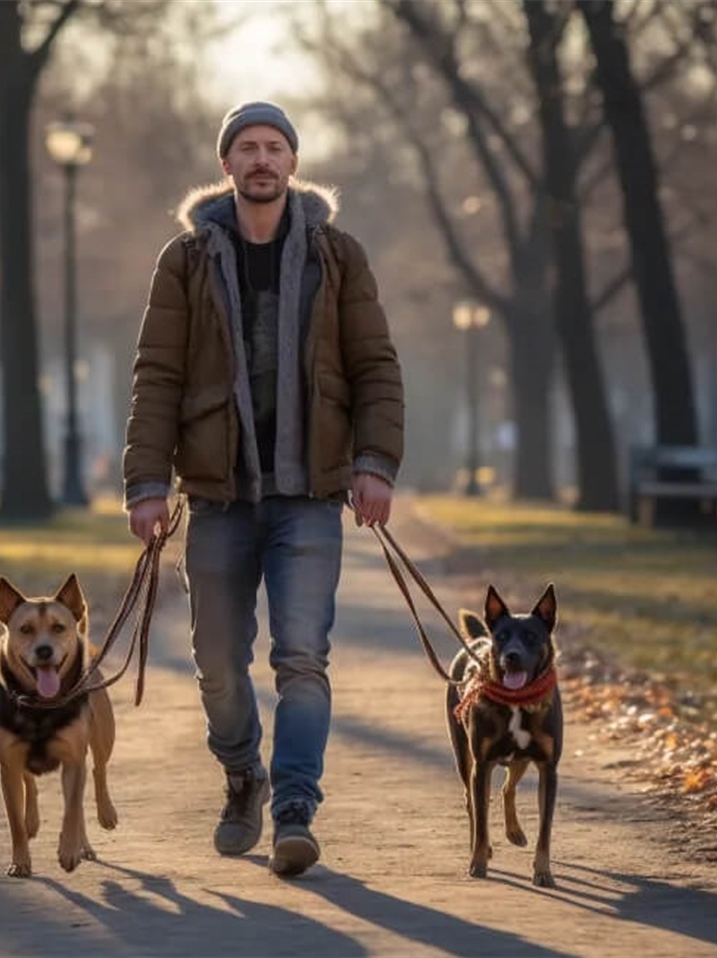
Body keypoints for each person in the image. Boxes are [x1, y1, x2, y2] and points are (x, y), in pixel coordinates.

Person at [123, 101, 404, 878]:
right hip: (217, 496)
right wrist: (147, 482)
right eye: (246, 147)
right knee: (217, 662)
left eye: (274, 147)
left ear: (292, 162)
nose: (261, 159)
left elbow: (376, 366)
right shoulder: (184, 261)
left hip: (309, 496)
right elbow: (159, 376)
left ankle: (293, 812)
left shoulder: (336, 255)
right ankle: (242, 772)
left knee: (303, 658)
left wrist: (374, 463)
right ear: (226, 164)